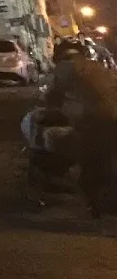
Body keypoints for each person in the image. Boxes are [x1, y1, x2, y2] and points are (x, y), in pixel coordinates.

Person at [45, 40, 117, 217]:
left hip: (91, 120)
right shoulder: (95, 66)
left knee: (90, 161)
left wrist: (52, 108)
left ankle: (95, 203)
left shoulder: (64, 68)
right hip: (111, 117)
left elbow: (52, 94)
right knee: (105, 159)